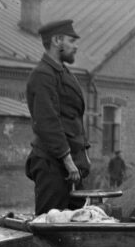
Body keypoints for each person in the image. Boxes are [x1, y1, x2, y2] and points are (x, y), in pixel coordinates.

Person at [24, 19, 91, 214]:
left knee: (72, 224)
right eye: (71, 41)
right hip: (53, 165)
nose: (76, 47)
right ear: (56, 40)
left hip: (69, 168)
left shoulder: (63, 73)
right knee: (49, 227)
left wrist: (83, 156)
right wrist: (68, 162)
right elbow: (47, 123)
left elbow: (73, 118)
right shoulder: (43, 75)